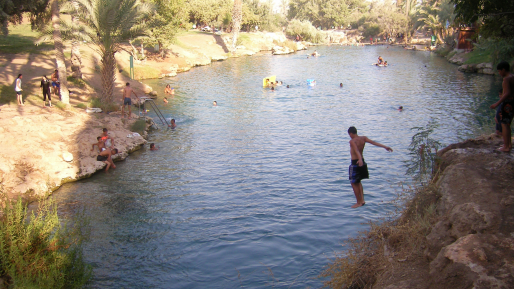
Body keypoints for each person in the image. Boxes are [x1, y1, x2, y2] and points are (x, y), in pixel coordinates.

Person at [347, 126, 393, 208]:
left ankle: (358, 202)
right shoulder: (363, 138)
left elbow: (356, 150)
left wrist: (359, 159)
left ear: (350, 133)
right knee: (358, 181)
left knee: (353, 182)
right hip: (362, 162)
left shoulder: (352, 141)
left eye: (349, 134)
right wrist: (385, 146)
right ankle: (362, 200)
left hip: (356, 162)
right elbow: (374, 142)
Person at [490, 61, 514, 152]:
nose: (499, 73)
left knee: (504, 124)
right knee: (508, 124)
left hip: (507, 103)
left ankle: (506, 146)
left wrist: (497, 103)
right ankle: (509, 145)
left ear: (503, 69)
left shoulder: (506, 79)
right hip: (512, 103)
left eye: (499, 71)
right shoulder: (512, 77)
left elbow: (507, 93)